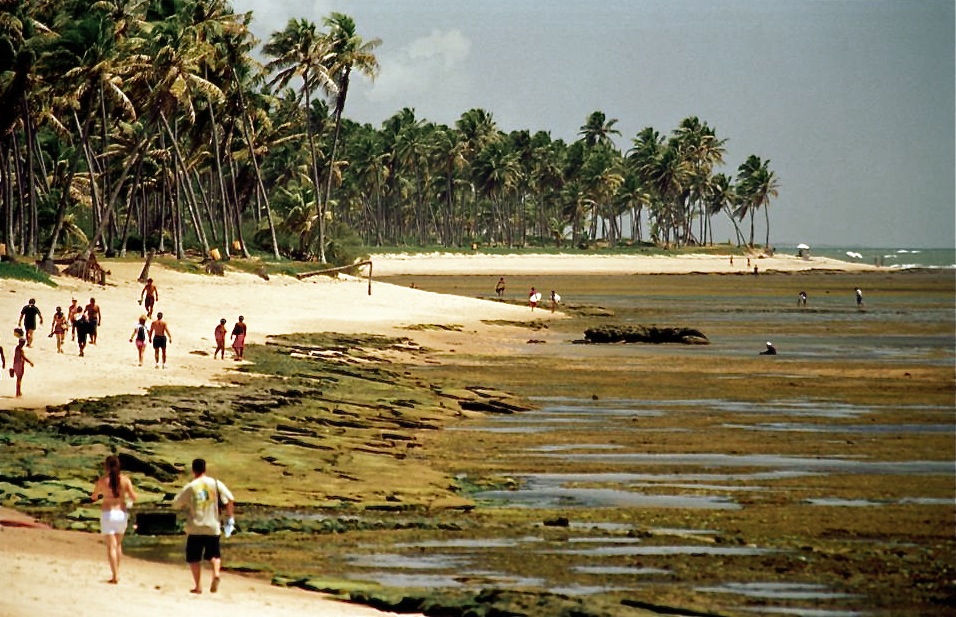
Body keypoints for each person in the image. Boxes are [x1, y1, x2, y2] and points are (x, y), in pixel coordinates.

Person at [172, 458, 235, 595]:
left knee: (194, 557)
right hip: (213, 525)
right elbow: (230, 498)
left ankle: (198, 586)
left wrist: (187, 505)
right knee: (214, 554)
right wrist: (230, 517)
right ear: (205, 469)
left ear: (193, 470)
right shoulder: (216, 483)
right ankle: (216, 573)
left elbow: (176, 503)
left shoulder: (191, 486)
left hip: (195, 526)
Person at [91, 455, 137, 584]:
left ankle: (115, 575)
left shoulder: (102, 480)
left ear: (106, 466)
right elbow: (134, 497)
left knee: (111, 546)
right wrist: (125, 495)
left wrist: (99, 495)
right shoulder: (125, 480)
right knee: (118, 545)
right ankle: (117, 572)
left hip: (108, 513)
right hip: (121, 514)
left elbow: (94, 496)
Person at [11, 329, 34, 397]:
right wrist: (30, 362)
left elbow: (15, 357)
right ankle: (18, 392)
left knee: (18, 379)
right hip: (19, 364)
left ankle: (18, 391)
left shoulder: (17, 348)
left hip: (16, 364)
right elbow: (23, 357)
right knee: (19, 379)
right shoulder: (21, 350)